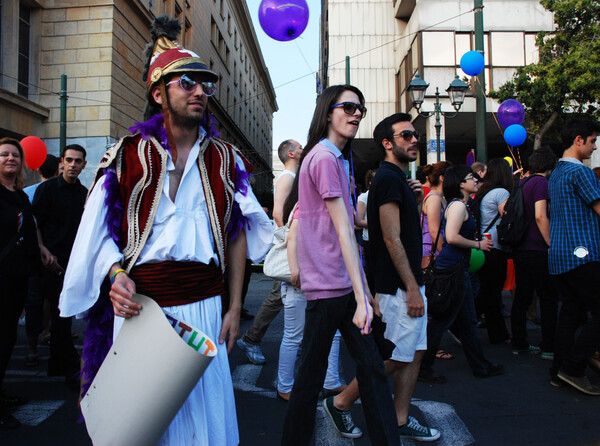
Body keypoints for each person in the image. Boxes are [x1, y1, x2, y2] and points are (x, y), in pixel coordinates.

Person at [58, 16, 272, 444]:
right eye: (186, 83)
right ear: (159, 94)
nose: (199, 92)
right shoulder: (126, 155)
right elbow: (96, 233)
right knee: (142, 425)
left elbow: (237, 236)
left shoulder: (227, 159)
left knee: (205, 423)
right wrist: (116, 276)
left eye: (204, 85)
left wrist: (233, 309)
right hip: (140, 310)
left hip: (207, 305)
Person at [281, 85, 399, 445]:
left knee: (370, 370)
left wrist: (362, 291)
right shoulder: (324, 158)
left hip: (341, 285)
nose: (356, 114)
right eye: (348, 107)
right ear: (328, 112)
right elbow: (344, 232)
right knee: (313, 378)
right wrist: (364, 297)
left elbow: (344, 227)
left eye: (360, 108)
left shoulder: (332, 158)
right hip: (331, 288)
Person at [322, 113, 439, 442]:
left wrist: (415, 203)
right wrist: (412, 287)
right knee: (395, 356)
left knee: (414, 352)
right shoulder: (387, 178)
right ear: (387, 144)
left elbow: (406, 231)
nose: (414, 140)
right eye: (405, 136)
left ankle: (401, 417)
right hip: (398, 287)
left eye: (415, 134)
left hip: (409, 283)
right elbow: (390, 238)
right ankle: (341, 402)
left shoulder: (398, 179)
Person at [418, 165, 502, 383]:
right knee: (442, 321)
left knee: (467, 321)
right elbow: (452, 237)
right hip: (452, 270)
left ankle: (480, 366)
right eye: (469, 177)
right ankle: (423, 368)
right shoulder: (457, 206)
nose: (475, 180)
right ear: (459, 183)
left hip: (457, 269)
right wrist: (479, 244)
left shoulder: (458, 205)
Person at [237, 139, 302, 365]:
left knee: (284, 296)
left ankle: (256, 339)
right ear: (291, 154)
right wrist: (289, 240)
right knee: (278, 296)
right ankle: (251, 339)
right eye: (300, 147)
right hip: (287, 244)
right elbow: (277, 213)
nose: (304, 149)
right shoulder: (287, 178)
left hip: (291, 243)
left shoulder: (294, 177)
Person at [548, 119, 600, 396]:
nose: (593, 147)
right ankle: (573, 367)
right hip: (583, 253)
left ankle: (560, 370)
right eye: (592, 141)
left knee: (570, 313)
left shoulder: (556, 171)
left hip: (560, 255)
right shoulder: (582, 173)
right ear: (578, 140)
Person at [0, 138, 48, 429]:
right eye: (4, 154)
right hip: (1, 276)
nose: (10, 158)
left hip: (18, 276)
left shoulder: (19, 195)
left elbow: (29, 226)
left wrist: (41, 248)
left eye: (14, 155)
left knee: (6, 338)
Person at [33, 144, 88, 387]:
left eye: (78, 161)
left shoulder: (85, 193)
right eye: (70, 160)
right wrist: (44, 251)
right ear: (61, 164)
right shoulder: (46, 190)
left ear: (84, 165)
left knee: (63, 316)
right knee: (60, 315)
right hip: (51, 263)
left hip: (73, 263)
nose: (73, 165)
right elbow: (35, 224)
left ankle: (60, 364)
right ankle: (68, 368)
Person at [510, 147, 558, 358]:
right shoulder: (541, 183)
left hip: (521, 247)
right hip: (537, 248)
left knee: (521, 297)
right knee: (548, 299)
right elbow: (541, 216)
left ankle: (519, 342)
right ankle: (548, 345)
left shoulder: (522, 182)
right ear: (549, 165)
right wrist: (551, 244)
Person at [23, 154, 60, 367]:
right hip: (51, 254)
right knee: (50, 298)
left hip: (33, 255)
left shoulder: (25, 194)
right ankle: (48, 334)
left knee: (34, 300)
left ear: (38, 171)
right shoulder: (57, 192)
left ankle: (32, 348)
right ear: (59, 169)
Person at [473, 158, 513, 344]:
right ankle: (460, 319)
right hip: (495, 248)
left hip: (483, 246)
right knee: (491, 293)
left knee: (490, 292)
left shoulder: (484, 191)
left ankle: (498, 334)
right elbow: (508, 217)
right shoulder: (501, 192)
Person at [356, 169, 376, 292]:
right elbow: (358, 220)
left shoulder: (384, 196)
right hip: (370, 240)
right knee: (372, 274)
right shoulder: (364, 197)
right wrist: (378, 224)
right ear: (369, 182)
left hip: (384, 239)